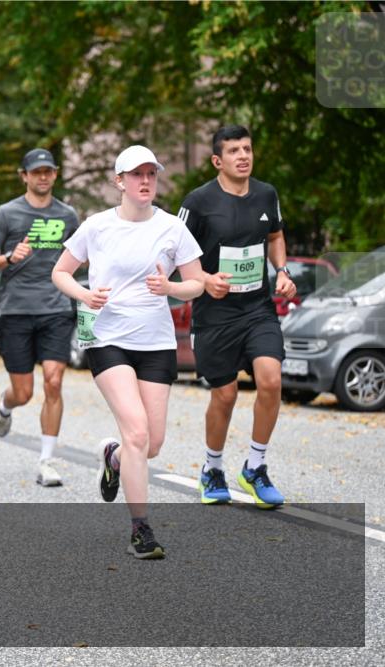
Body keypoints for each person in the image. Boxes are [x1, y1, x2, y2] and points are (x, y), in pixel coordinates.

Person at [53, 145, 205, 559]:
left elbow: (198, 282)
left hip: (155, 341)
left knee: (151, 444)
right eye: (136, 175)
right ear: (119, 181)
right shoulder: (97, 226)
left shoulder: (173, 228)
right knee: (136, 430)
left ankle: (114, 457)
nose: (145, 181)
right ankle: (141, 529)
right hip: (108, 338)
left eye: (151, 175)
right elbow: (60, 272)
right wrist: (86, 294)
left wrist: (170, 288)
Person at [177, 125, 297, 509]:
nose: (243, 155)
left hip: (257, 308)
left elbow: (275, 235)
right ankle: (212, 469)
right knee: (225, 394)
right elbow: (176, 252)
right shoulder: (197, 202)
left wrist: (282, 271)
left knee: (271, 379)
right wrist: (203, 281)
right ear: (217, 160)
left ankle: (255, 467)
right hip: (215, 313)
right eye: (233, 151)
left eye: (247, 148)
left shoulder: (266, 194)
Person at [0, 148, 80, 486]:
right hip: (17, 310)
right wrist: (8, 257)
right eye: (36, 172)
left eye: (48, 171)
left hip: (56, 308)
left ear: (55, 174)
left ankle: (46, 461)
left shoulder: (68, 215)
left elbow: (80, 255)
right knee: (23, 392)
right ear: (24, 176)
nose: (42, 177)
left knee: (54, 381)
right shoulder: (7, 214)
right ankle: (6, 408)